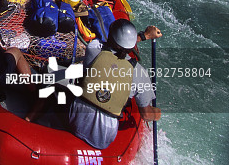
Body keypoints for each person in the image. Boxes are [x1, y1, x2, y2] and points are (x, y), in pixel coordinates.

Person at [67, 19, 161, 149]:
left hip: (76, 119)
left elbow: (111, 47)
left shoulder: (94, 48)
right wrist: (157, 113)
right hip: (104, 135)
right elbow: (146, 115)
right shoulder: (140, 73)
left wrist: (143, 36)